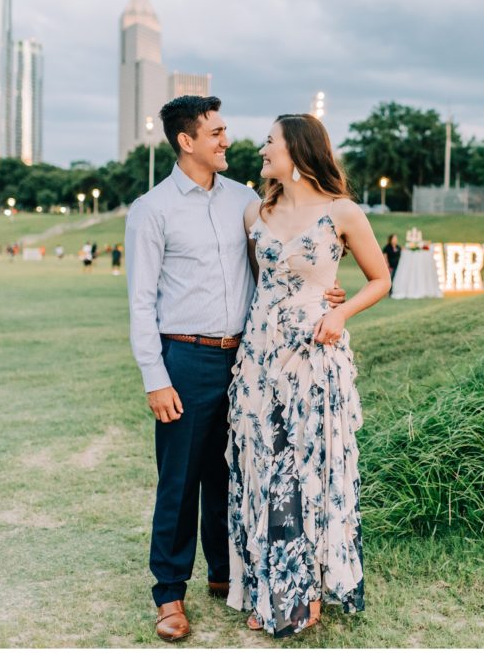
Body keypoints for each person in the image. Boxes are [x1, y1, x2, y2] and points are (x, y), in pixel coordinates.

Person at [125, 96, 347, 642]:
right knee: (180, 480)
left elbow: (277, 269)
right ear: (187, 140)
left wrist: (321, 293)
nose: (228, 140)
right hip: (187, 356)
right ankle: (170, 594)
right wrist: (156, 376)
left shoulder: (247, 200)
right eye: (217, 132)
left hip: (252, 357)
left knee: (241, 469)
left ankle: (229, 573)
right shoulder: (151, 210)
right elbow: (140, 302)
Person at [225, 114, 390, 638]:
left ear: (296, 150)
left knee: (306, 462)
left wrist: (338, 312)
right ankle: (266, 583)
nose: (261, 149)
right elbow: (261, 282)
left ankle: (306, 589)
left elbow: (380, 279)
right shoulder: (257, 210)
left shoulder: (342, 211)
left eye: (269, 141)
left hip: (316, 354)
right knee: (262, 463)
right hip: (260, 354)